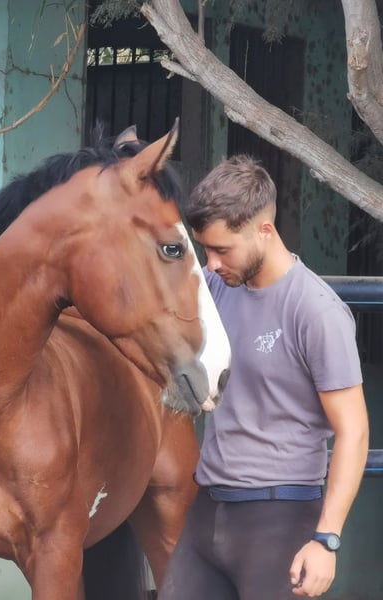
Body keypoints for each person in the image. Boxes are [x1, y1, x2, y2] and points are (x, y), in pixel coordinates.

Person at [159, 155, 369, 599]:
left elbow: (354, 431)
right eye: (206, 250)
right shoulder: (216, 289)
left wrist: (326, 540)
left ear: (265, 231)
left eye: (222, 250)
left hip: (281, 518)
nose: (211, 264)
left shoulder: (316, 311)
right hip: (208, 511)